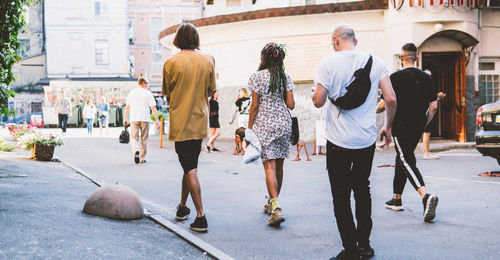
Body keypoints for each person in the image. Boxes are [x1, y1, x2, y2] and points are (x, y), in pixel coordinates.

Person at [312, 24, 396, 260]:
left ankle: (349, 250)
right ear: (355, 41)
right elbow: (390, 98)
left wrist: (316, 93)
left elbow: (318, 101)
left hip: (338, 141)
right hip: (365, 140)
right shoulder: (376, 62)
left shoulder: (328, 63)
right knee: (362, 189)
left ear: (336, 40)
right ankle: (365, 245)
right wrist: (387, 126)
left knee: (340, 195)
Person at [376, 43, 439, 223]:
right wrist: (424, 124)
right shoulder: (427, 78)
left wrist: (384, 122)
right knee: (402, 157)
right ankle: (397, 198)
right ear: (417, 57)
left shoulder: (394, 77)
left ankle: (425, 196)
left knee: (405, 159)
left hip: (401, 125)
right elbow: (433, 106)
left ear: (401, 58)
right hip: (418, 124)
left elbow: (387, 102)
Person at [162, 23, 215, 232]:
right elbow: (211, 91)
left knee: (190, 169)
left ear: (178, 40)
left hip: (181, 122)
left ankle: (201, 216)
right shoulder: (208, 59)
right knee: (190, 165)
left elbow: (168, 94)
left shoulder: (171, 62)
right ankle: (183, 208)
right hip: (199, 120)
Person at [248, 42, 295, 227]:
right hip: (284, 123)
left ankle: (276, 208)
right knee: (280, 167)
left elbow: (254, 106)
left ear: (263, 58)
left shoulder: (257, 77)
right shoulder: (285, 77)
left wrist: (249, 129)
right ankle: (272, 203)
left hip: (265, 125)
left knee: (270, 167)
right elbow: (291, 105)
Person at [124, 77, 160, 164]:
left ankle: (136, 151)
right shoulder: (148, 93)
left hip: (134, 119)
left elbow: (127, 107)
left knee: (133, 138)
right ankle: (141, 158)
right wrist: (157, 120)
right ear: (143, 83)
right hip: (145, 119)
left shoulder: (132, 92)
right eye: (147, 83)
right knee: (144, 139)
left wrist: (125, 119)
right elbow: (153, 108)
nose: (147, 85)